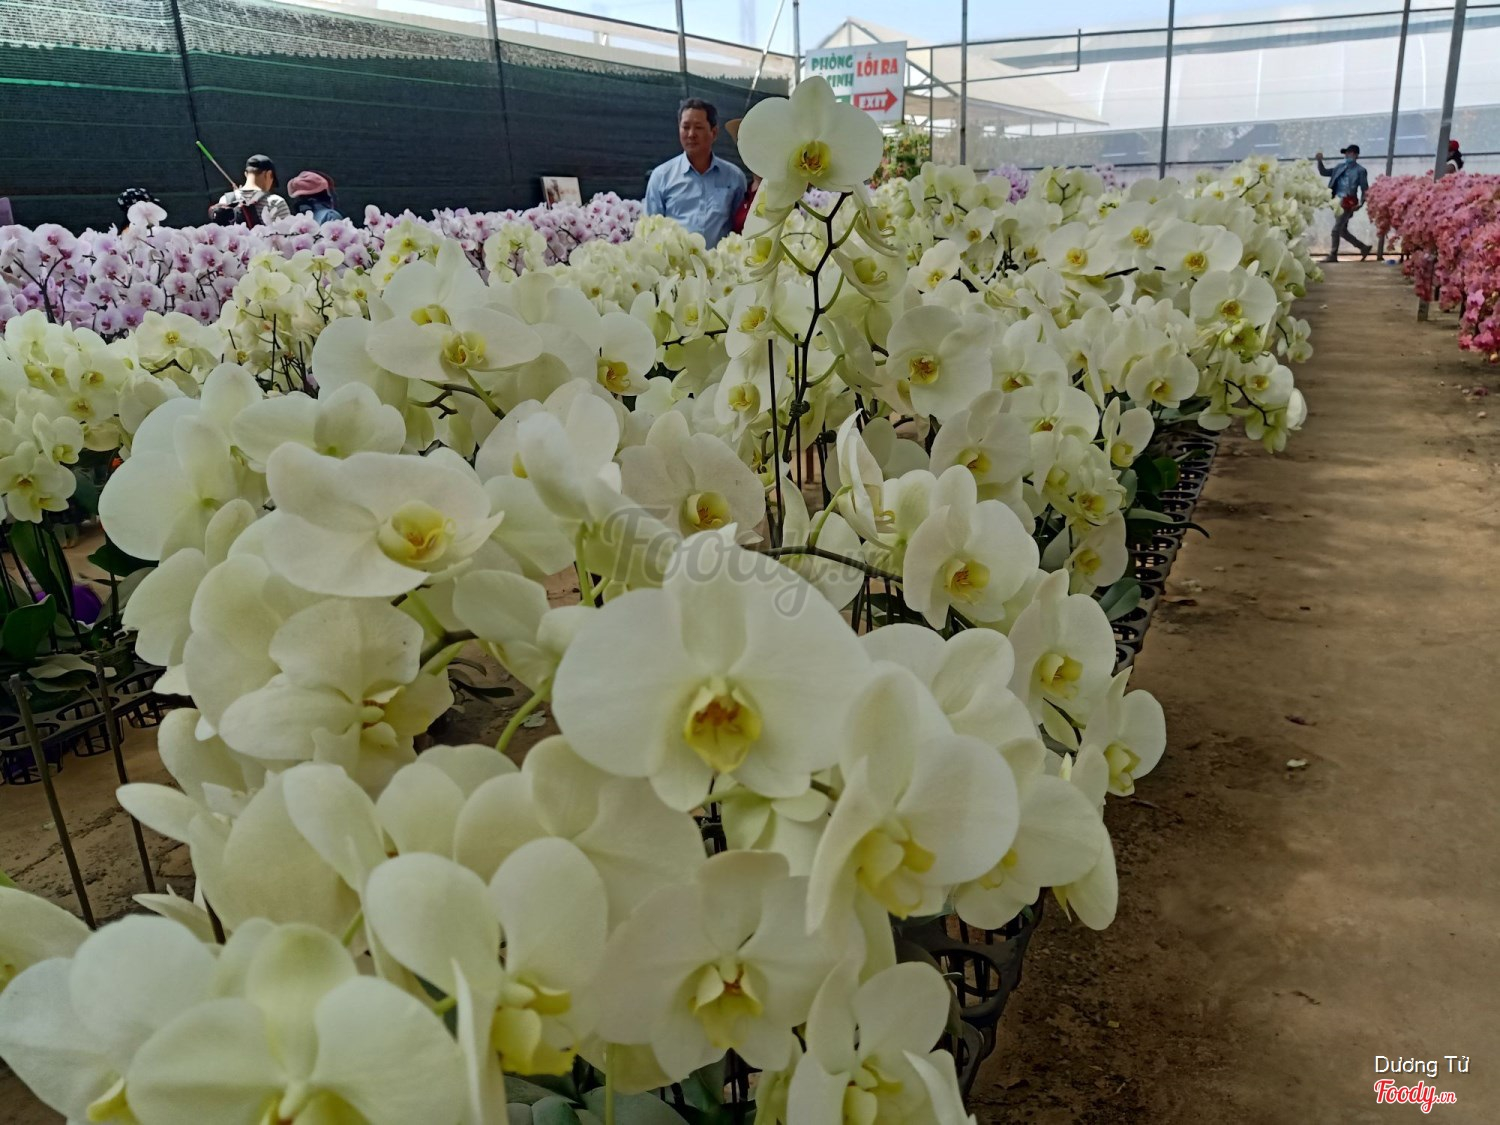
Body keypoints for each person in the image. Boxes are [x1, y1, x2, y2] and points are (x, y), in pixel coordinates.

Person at [645, 98, 746, 246]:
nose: (691, 134)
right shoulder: (661, 176)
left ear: (714, 133)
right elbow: (650, 230)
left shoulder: (734, 177)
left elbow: (740, 227)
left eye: (698, 127)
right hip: (676, 260)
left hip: (718, 260)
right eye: (685, 127)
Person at [1315, 144, 1370, 262]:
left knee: (1336, 230)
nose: (1347, 155)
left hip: (1348, 203)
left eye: (1350, 153)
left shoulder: (1360, 171)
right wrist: (1319, 161)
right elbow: (1324, 172)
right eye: (1346, 153)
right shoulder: (1339, 167)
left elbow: (1365, 189)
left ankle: (1333, 255)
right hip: (1336, 202)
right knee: (1342, 231)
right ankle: (1363, 248)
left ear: (1356, 155)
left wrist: (1361, 203)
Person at [209, 154, 290, 227]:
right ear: (268, 174)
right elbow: (288, 235)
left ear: (246, 174)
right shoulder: (276, 202)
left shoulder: (225, 200)